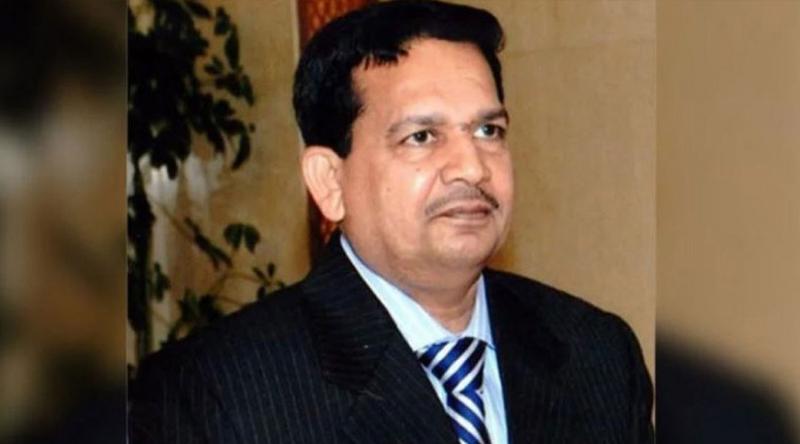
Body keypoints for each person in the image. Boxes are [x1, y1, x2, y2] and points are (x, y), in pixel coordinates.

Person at [129, 1, 654, 443]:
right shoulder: (213, 396)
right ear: (330, 182)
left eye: (488, 131)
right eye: (421, 137)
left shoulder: (597, 355)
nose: (472, 167)